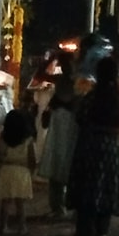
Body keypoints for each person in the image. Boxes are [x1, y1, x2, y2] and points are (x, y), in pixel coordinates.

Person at [67, 55, 119, 236]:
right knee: (106, 186)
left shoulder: (92, 96)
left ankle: (84, 228)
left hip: (90, 144)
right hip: (111, 146)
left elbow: (80, 116)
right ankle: (102, 229)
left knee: (87, 185)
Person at [36, 51, 80, 219]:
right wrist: (52, 58)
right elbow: (41, 75)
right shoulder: (62, 80)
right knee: (58, 164)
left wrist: (52, 58)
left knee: (67, 164)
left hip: (70, 126)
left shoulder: (78, 81)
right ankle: (58, 207)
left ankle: (67, 206)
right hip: (60, 126)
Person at [0, 107, 37, 235]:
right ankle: (22, 227)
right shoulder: (28, 141)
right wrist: (31, 172)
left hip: (6, 170)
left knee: (6, 202)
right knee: (20, 204)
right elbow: (32, 159)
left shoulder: (3, 139)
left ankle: (3, 226)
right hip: (22, 172)